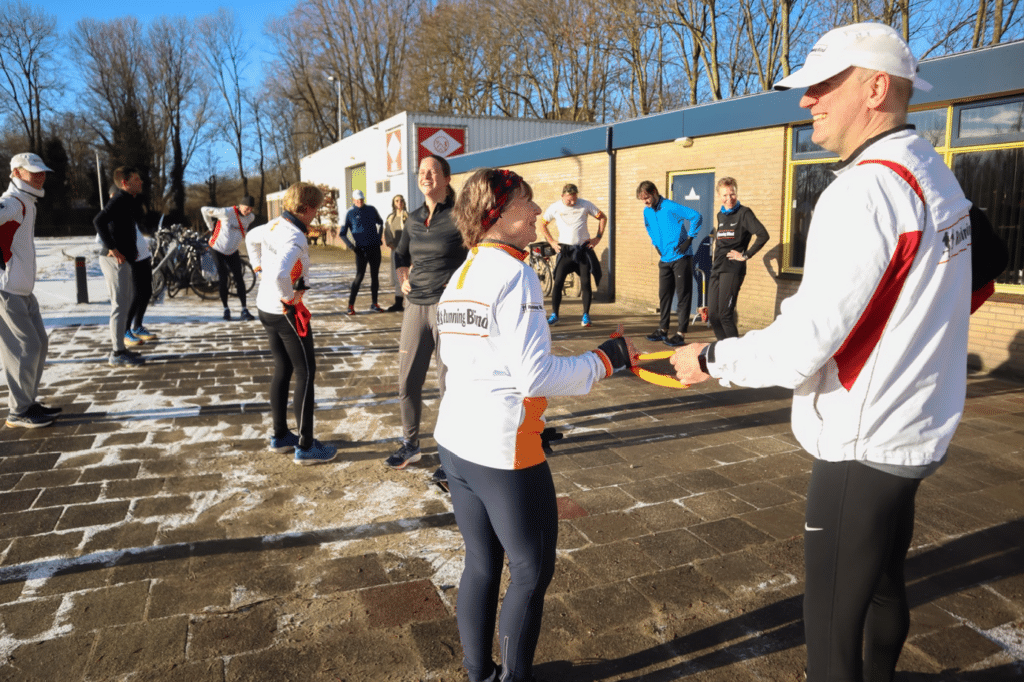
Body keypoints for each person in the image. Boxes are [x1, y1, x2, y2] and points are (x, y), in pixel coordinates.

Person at [671, 23, 972, 682]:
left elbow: (800, 347)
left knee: (832, 630)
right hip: (914, 429)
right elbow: (977, 273)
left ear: (875, 87)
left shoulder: (862, 192)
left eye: (821, 87)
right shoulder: (931, 167)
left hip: (862, 444)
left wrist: (712, 360)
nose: (806, 102)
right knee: (887, 586)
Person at [436, 167, 637, 682]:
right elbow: (536, 375)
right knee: (531, 570)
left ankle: (478, 674)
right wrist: (605, 360)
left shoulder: (462, 272)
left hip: (456, 442)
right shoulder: (514, 272)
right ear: (496, 215)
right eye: (526, 202)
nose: (537, 211)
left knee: (482, 564)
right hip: (502, 450)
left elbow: (462, 360)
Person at [384, 154, 467, 473]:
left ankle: (452, 455)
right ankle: (411, 444)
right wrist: (402, 278)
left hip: (449, 309)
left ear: (447, 179)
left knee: (450, 384)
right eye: (421, 172)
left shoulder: (461, 215)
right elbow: (400, 253)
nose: (426, 176)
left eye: (433, 171)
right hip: (415, 306)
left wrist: (461, 284)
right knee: (407, 380)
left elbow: (478, 252)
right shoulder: (414, 218)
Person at [246, 182, 337, 465]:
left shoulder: (273, 224)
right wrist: (289, 299)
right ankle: (306, 446)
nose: (317, 214)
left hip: (265, 309)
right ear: (306, 208)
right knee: (306, 373)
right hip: (284, 312)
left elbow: (250, 237)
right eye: (317, 209)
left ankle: (280, 435)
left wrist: (257, 266)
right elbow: (280, 275)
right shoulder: (295, 237)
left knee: (283, 368)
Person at [1, 153, 61, 429]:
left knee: (40, 344)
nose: (40, 176)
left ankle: (28, 402)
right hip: (7, 289)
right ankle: (18, 411)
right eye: (33, 171)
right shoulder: (12, 202)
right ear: (16, 173)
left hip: (24, 289)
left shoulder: (28, 202)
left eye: (42, 171)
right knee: (26, 347)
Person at [636, 180, 703, 347]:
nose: (645, 202)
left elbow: (696, 216)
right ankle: (662, 329)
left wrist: (689, 239)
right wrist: (656, 244)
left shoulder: (670, 206)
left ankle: (680, 333)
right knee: (664, 295)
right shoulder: (647, 211)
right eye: (642, 199)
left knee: (683, 296)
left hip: (681, 257)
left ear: (654, 192)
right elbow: (649, 227)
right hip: (664, 259)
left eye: (646, 198)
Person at [93, 166, 146, 367]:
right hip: (113, 260)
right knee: (119, 305)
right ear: (124, 183)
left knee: (124, 304)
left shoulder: (129, 200)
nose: (140, 182)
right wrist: (113, 248)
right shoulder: (119, 199)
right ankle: (116, 353)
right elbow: (98, 221)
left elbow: (124, 229)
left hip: (124, 259)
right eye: (136, 179)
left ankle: (121, 349)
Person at [708, 177, 770, 340]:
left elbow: (763, 235)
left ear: (736, 193)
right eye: (725, 195)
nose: (729, 199)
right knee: (713, 316)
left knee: (725, 316)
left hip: (732, 269)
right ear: (719, 196)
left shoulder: (744, 213)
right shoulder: (720, 215)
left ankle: (735, 356)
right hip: (717, 268)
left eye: (732, 194)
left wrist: (745, 255)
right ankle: (724, 352)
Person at [539, 183, 606, 327]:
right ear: (562, 196)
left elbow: (602, 218)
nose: (573, 202)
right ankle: (555, 314)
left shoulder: (585, 204)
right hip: (565, 251)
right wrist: (551, 242)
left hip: (582, 249)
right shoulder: (555, 207)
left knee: (586, 282)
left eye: (575, 199)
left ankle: (586, 316)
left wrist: (597, 238)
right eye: (569, 200)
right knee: (557, 282)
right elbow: (542, 224)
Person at [202, 195, 257, 322]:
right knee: (223, 277)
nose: (248, 211)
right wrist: (210, 226)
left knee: (239, 278)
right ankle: (226, 309)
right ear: (240, 205)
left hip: (232, 251)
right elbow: (204, 209)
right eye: (246, 208)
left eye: (251, 209)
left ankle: (244, 309)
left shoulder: (251, 217)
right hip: (217, 249)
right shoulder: (227, 212)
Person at [339, 189, 385, 315]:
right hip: (361, 250)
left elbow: (381, 223)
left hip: (375, 249)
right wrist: (352, 247)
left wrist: (379, 237)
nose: (360, 202)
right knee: (359, 277)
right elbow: (342, 234)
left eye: (362, 200)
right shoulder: (349, 213)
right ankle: (350, 306)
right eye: (357, 200)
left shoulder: (371, 209)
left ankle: (374, 303)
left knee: (375, 277)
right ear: (353, 200)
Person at [383, 194, 407, 312]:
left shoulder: (408, 216)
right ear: (393, 203)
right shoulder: (390, 218)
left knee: (407, 276)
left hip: (407, 251)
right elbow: (387, 231)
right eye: (397, 200)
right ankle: (398, 303)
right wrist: (389, 243)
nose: (399, 202)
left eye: (401, 200)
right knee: (397, 277)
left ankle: (410, 303)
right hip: (395, 251)